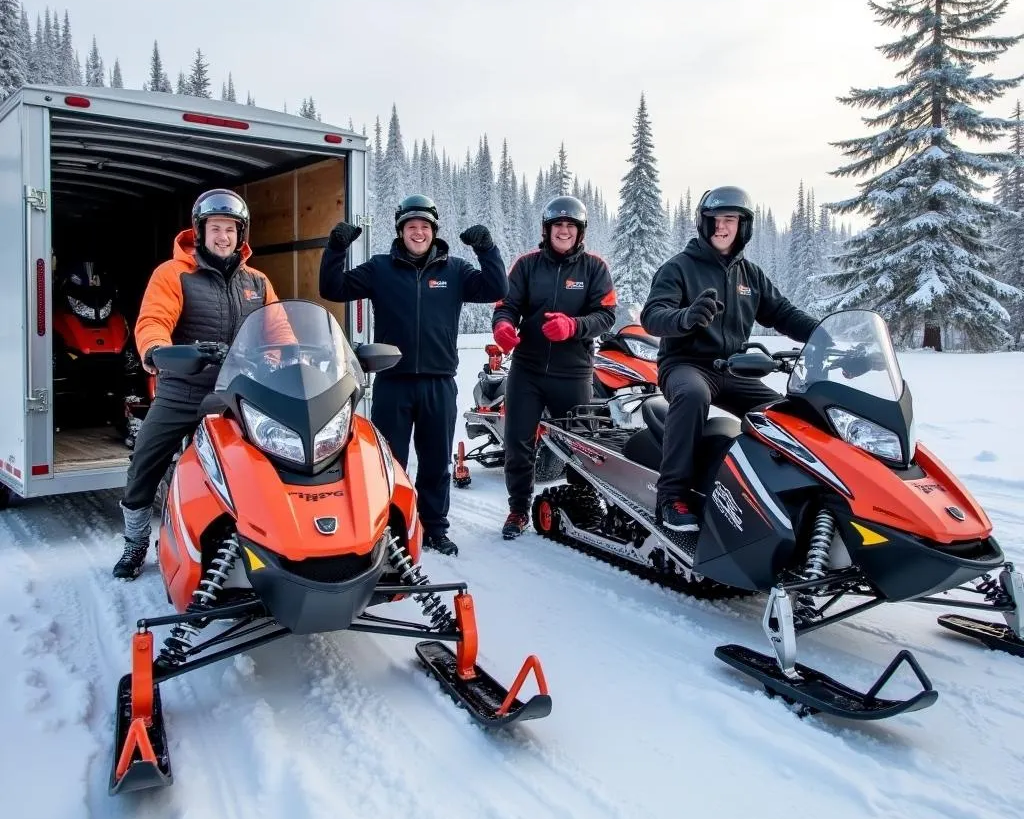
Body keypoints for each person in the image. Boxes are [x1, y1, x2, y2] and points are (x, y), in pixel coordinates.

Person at [319, 194, 507, 557]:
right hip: (393, 381)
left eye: (424, 227)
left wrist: (487, 249)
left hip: (439, 382)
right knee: (389, 462)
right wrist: (336, 248)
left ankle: (434, 528)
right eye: (411, 227)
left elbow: (497, 288)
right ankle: (389, 529)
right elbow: (333, 288)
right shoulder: (380, 269)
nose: (417, 233)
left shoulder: (455, 271)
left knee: (437, 461)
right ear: (400, 231)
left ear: (433, 231)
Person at [113, 188, 287, 579]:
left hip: (238, 394)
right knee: (145, 460)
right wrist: (157, 349)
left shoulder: (257, 282)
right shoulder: (174, 273)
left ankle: (267, 538)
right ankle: (137, 542)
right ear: (200, 231)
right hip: (184, 389)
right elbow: (153, 320)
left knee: (274, 459)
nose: (222, 236)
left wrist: (282, 361)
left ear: (241, 235)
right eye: (214, 228)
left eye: (230, 229)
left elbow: (279, 330)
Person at [640, 186, 819, 532]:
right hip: (685, 365)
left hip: (735, 370)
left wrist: (827, 336)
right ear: (703, 224)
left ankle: (786, 497)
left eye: (731, 220)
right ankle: (671, 497)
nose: (722, 227)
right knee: (692, 395)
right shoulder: (679, 268)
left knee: (785, 415)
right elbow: (653, 315)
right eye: (715, 220)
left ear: (743, 226)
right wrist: (686, 318)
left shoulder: (749, 276)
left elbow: (783, 313)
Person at [491, 196, 617, 539]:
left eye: (570, 226)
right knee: (518, 442)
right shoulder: (527, 265)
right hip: (528, 369)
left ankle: (584, 505)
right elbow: (507, 305)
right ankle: (518, 510)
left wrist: (573, 327)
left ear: (580, 232)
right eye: (558, 226)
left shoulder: (594, 268)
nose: (564, 231)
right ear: (547, 231)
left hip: (573, 372)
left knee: (582, 444)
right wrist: (503, 327)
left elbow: (606, 315)